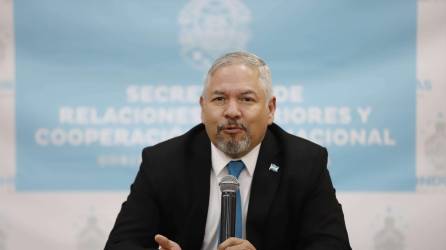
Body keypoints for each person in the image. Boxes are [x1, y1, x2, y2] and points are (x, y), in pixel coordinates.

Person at [105, 51, 351, 250]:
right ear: (203, 108)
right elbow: (121, 244)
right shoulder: (163, 162)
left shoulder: (304, 163)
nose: (232, 111)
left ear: (270, 109)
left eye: (246, 99)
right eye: (219, 99)